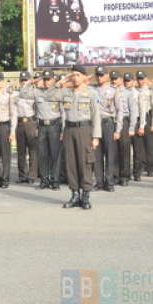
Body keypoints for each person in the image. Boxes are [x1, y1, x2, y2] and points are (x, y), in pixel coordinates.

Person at [58, 67, 101, 210]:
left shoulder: (91, 93)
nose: (75, 77)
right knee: (71, 164)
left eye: (78, 75)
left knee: (85, 163)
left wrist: (96, 136)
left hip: (84, 130)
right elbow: (52, 92)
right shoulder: (66, 92)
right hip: (69, 130)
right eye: (73, 75)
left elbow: (96, 115)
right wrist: (66, 78)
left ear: (84, 77)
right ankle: (74, 195)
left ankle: (85, 197)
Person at [91, 67, 120, 192]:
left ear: (107, 76)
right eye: (97, 75)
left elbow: (119, 111)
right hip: (95, 124)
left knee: (109, 154)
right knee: (97, 154)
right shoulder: (92, 89)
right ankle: (99, 182)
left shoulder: (114, 90)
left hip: (108, 123)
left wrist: (118, 129)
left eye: (102, 75)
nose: (99, 77)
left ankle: (109, 182)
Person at [14, 71, 37, 184]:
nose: (23, 82)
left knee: (33, 150)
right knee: (21, 151)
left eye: (26, 80)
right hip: (19, 123)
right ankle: (22, 175)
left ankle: (32, 175)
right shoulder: (16, 92)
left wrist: (37, 125)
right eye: (22, 80)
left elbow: (38, 109)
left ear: (30, 80)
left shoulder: (34, 92)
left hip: (30, 122)